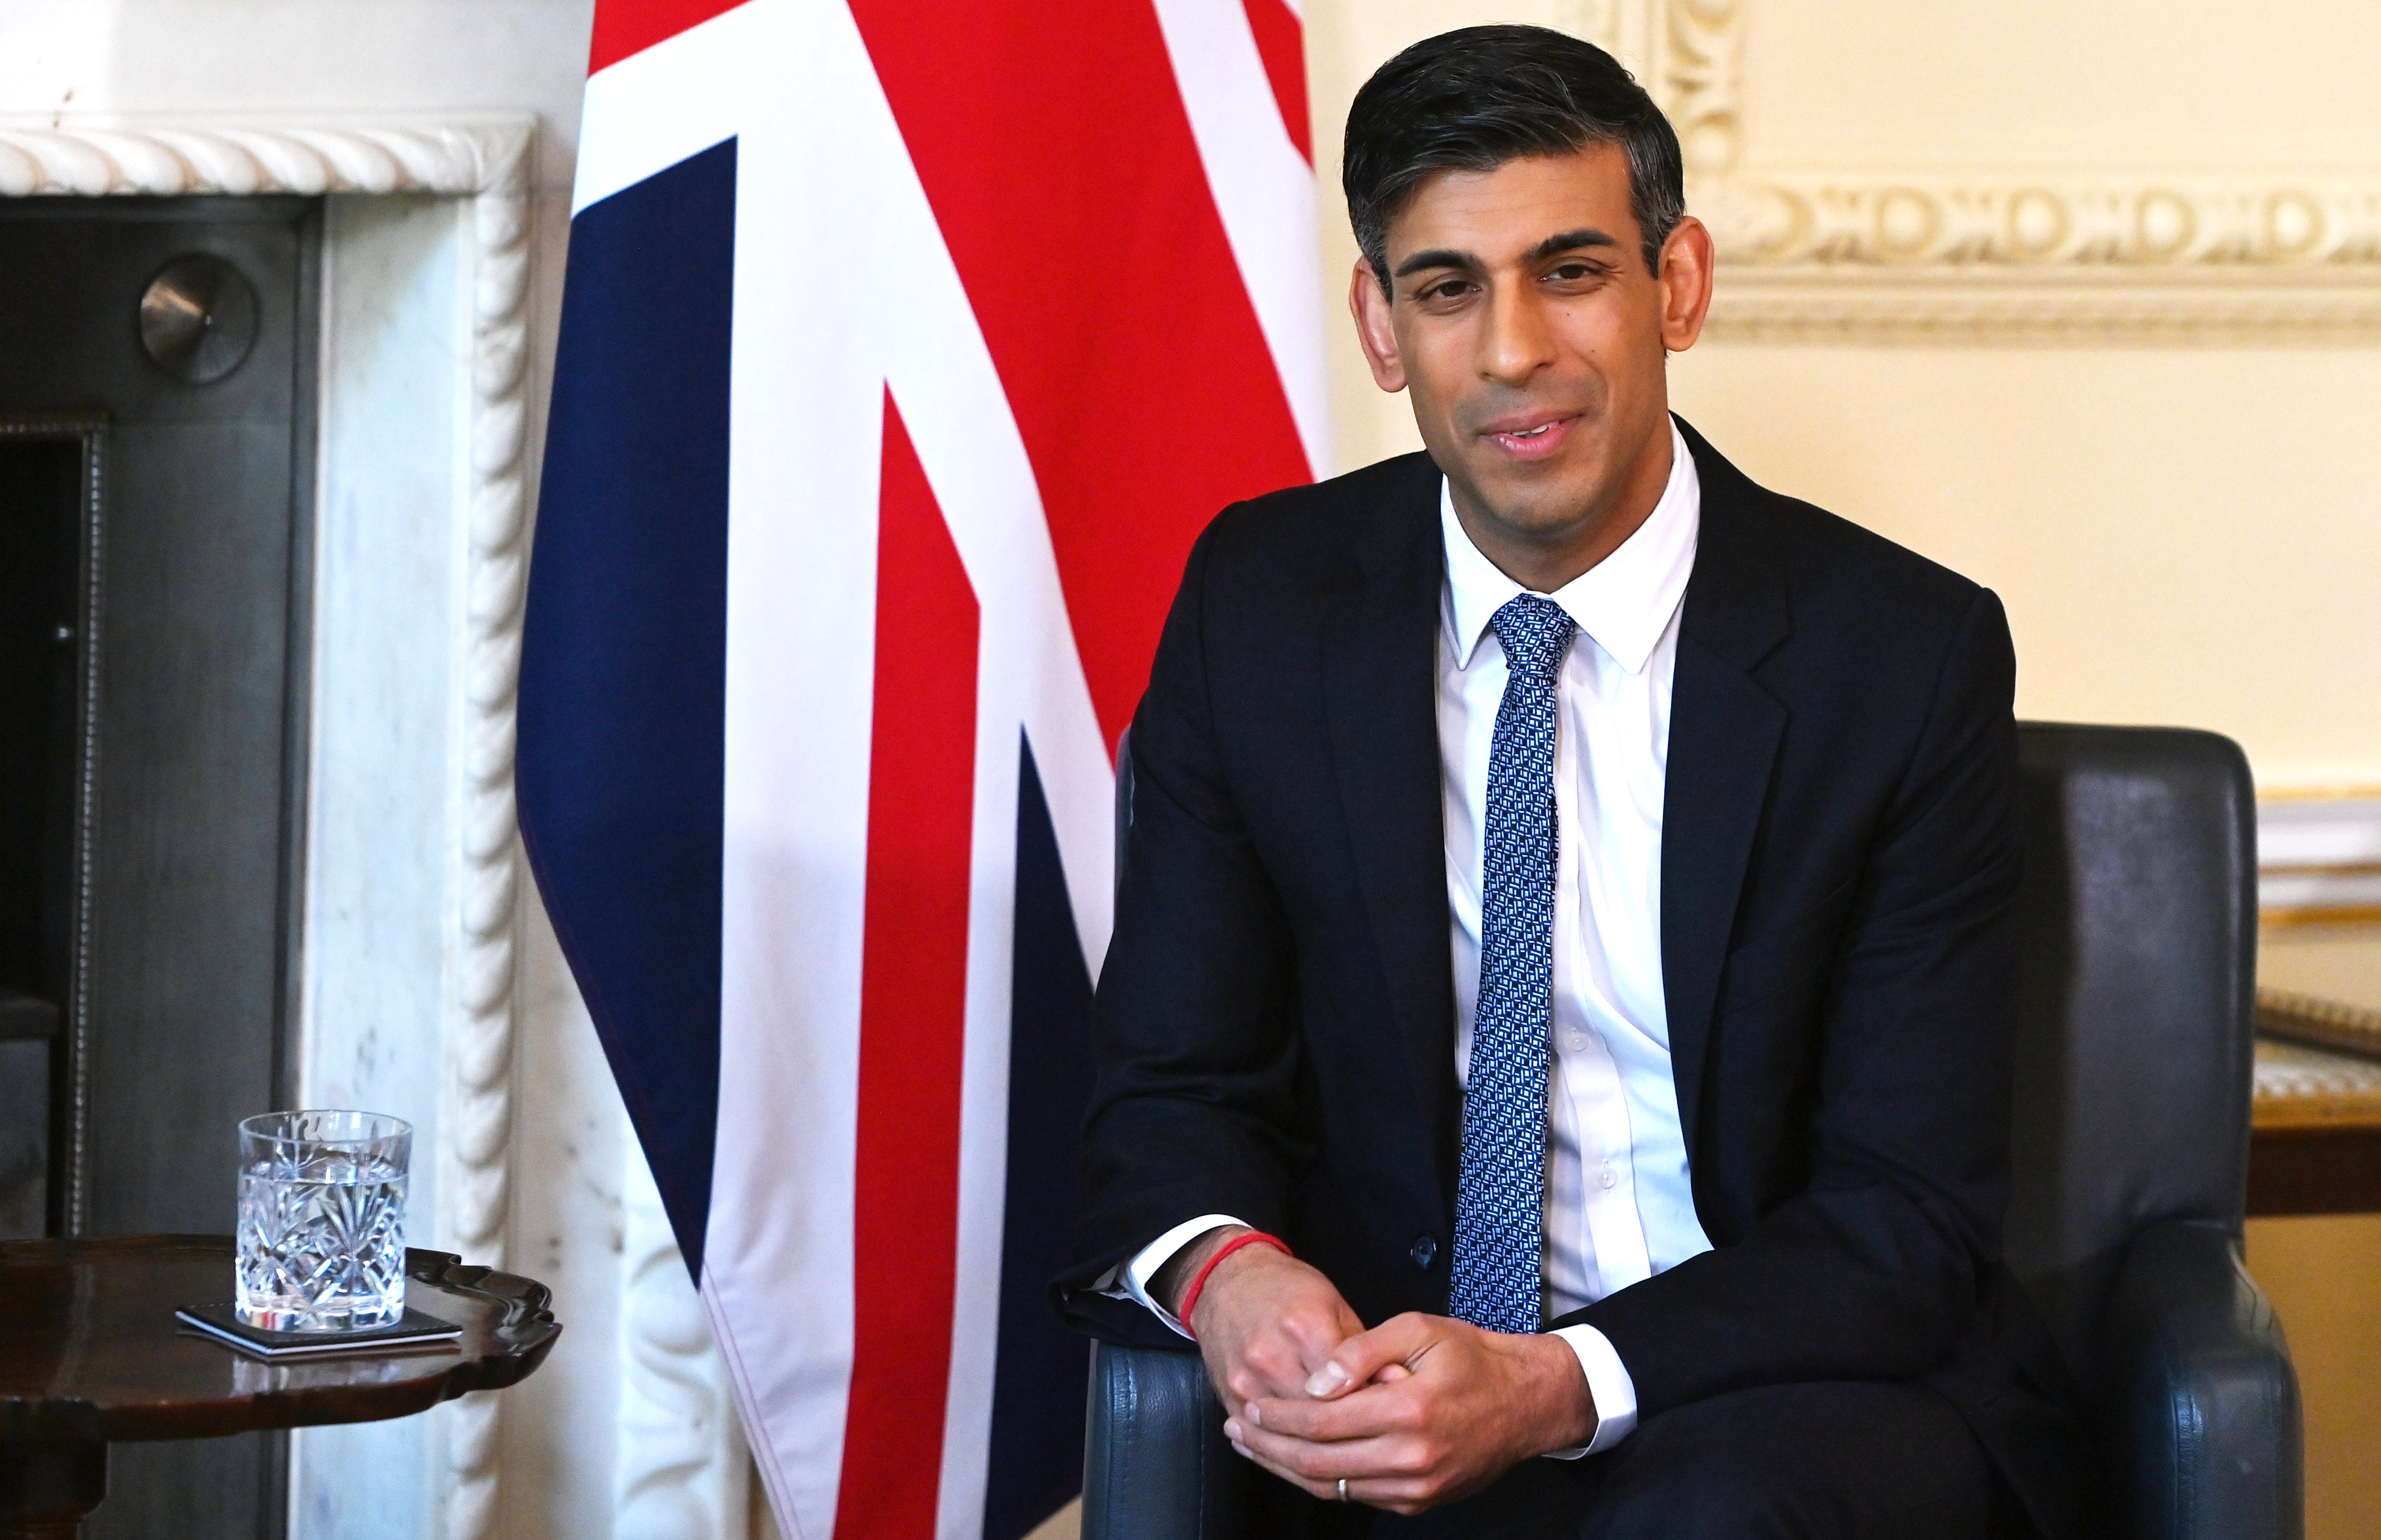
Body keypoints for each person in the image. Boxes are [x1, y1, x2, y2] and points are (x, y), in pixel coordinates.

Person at [1056, 24, 2088, 1539]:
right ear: (1380, 326)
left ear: (1677, 284)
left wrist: (1551, 1380)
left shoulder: (1902, 654)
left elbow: (1903, 1217)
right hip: (1390, 1393)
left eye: (1573, 270)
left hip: (1771, 1394)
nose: (1516, 349)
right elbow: (1169, 1088)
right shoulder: (1260, 606)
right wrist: (1233, 1276)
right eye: (1447, 287)